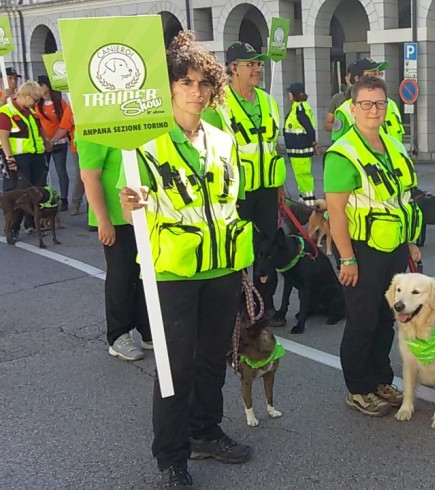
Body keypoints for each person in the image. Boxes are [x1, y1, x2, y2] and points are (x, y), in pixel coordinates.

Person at [119, 31, 254, 488]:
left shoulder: (221, 139)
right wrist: (130, 201)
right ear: (169, 89)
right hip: (173, 270)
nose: (196, 92)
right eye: (185, 83)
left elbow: (228, 203)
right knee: (175, 367)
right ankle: (171, 456)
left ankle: (205, 431)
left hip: (221, 267)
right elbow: (131, 201)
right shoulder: (144, 145)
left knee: (213, 359)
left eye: (202, 83)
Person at [324, 75, 422, 416]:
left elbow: (402, 199)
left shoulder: (393, 145)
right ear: (352, 109)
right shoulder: (342, 153)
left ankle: (381, 378)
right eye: (365, 103)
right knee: (362, 320)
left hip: (394, 246)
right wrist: (347, 259)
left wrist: (410, 243)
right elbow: (336, 213)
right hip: (362, 250)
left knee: (386, 318)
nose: (373, 110)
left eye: (379, 103)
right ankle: (358, 388)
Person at [205, 41, 285, 328]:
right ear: (233, 68)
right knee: (238, 249)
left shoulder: (268, 101)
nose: (256, 68)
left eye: (258, 63)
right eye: (250, 64)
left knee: (268, 247)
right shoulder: (217, 105)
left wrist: (279, 187)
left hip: (265, 189)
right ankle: (240, 306)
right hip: (235, 192)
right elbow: (206, 152)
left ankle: (266, 304)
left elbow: (272, 146)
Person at [78, 140, 151, 362]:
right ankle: (119, 335)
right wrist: (103, 220)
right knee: (122, 276)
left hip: (147, 215)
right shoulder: (95, 126)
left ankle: (148, 329)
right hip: (117, 219)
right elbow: (89, 176)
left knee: (146, 274)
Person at [0, 80, 50, 236]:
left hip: (35, 156)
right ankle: (13, 228)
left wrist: (47, 142)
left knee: (36, 191)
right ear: (25, 95)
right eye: (34, 99)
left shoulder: (32, 112)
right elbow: (3, 138)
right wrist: (9, 158)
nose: (36, 103)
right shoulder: (6, 112)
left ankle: (32, 224)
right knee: (19, 194)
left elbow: (39, 131)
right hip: (18, 158)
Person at [331, 58, 404, 143]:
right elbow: (339, 147)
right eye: (372, 75)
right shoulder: (345, 110)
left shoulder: (391, 104)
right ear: (357, 79)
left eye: (379, 74)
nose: (379, 78)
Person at [36, 75, 74, 211]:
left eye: (41, 85)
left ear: (47, 86)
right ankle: (44, 198)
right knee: (43, 173)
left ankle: (64, 199)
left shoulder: (59, 102)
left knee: (61, 171)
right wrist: (46, 140)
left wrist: (54, 140)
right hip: (44, 143)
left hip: (60, 142)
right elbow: (38, 124)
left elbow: (65, 123)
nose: (39, 88)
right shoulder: (36, 104)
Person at [283, 82, 320, 205]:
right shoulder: (299, 107)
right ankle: (303, 198)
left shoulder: (299, 108)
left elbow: (309, 128)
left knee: (303, 175)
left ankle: (309, 201)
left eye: (290, 93)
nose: (288, 95)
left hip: (300, 149)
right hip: (298, 150)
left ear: (294, 95)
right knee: (301, 175)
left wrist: (314, 143)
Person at [325, 65, 353, 132]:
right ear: (346, 79)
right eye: (351, 79)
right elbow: (328, 124)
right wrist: (341, 127)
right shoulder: (338, 98)